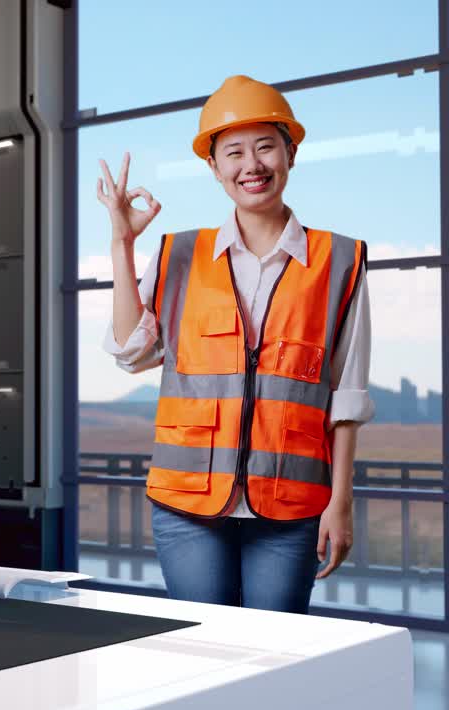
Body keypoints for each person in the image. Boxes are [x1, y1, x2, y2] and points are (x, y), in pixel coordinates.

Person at [97, 75, 374, 614]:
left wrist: (340, 503)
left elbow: (347, 396)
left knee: (274, 656)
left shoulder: (339, 261)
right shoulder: (180, 253)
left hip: (292, 506)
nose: (253, 164)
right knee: (204, 651)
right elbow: (132, 351)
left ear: (290, 153)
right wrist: (122, 243)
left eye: (266, 146)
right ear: (214, 167)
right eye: (235, 152)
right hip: (186, 504)